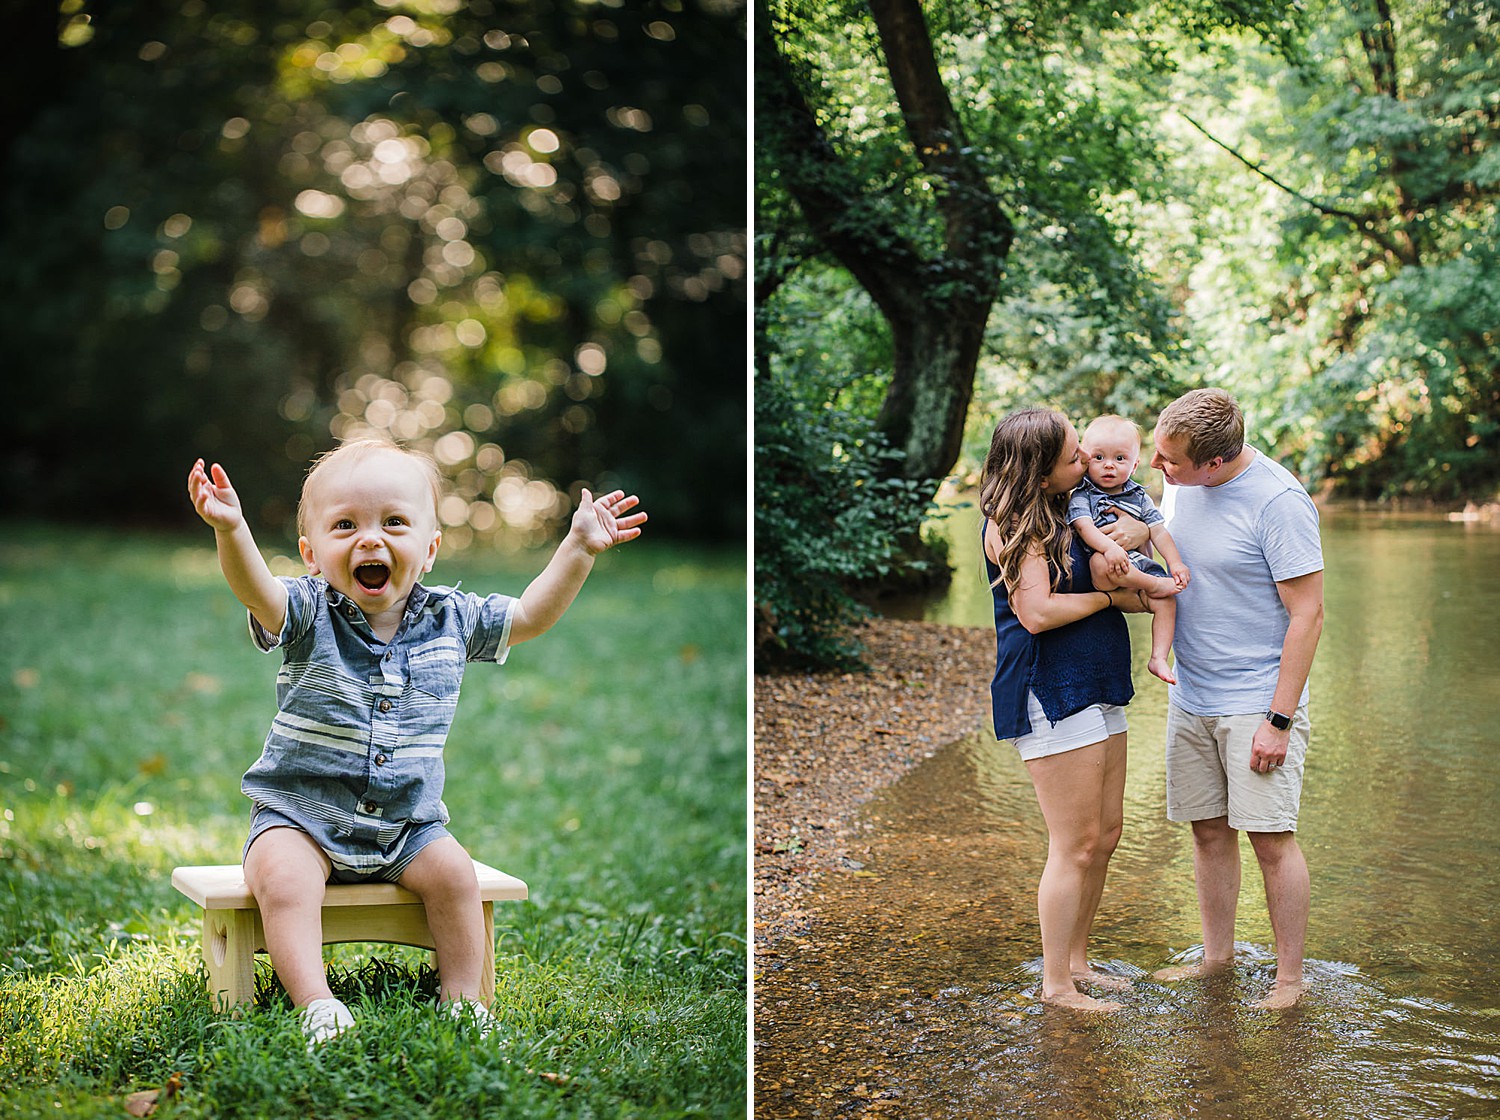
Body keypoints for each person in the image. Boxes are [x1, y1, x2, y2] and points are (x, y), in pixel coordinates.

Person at [187, 438, 646, 1044]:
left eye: (394, 522)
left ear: (429, 549)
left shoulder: (454, 619)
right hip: (299, 817)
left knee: (456, 876)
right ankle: (317, 1003)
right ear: (312, 553)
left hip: (408, 825)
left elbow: (530, 615)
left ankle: (462, 1001)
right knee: (285, 880)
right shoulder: (304, 609)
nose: (371, 539)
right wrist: (231, 530)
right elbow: (256, 591)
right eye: (345, 524)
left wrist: (580, 547)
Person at [1111, 388, 1324, 1010]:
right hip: (1194, 695)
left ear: (1214, 463)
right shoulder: (1180, 485)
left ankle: (1289, 982)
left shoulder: (1279, 502)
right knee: (1207, 832)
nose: (1155, 467)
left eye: (1168, 460)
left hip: (1258, 700)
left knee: (1271, 839)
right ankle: (1217, 957)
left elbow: (1307, 615)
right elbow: (1168, 563)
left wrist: (1278, 720)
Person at [980, 408, 1166, 1013]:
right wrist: (1111, 595)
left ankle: (1079, 962)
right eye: (1072, 458)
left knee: (1106, 835)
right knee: (1074, 844)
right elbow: (1036, 613)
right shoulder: (1013, 527)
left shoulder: (1072, 511)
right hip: (1048, 688)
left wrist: (1142, 574)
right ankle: (1056, 985)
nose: (1086, 463)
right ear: (1038, 474)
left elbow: (1124, 589)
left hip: (1096, 678)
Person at [1068, 414, 1190, 685]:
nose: (1109, 465)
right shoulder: (1082, 495)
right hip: (1103, 569)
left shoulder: (1139, 496)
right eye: (1099, 458)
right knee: (1101, 563)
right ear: (1086, 460)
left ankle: (1158, 657)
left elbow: (1159, 531)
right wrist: (1110, 548)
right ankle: (1151, 584)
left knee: (1167, 602)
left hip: (1133, 567)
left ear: (1134, 465)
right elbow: (1084, 527)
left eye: (1119, 459)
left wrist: (1176, 563)